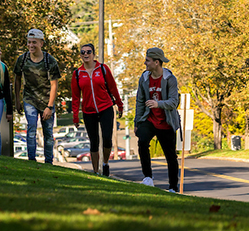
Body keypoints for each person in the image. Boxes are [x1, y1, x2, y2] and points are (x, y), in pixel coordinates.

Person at [71, 43, 124, 177]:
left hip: (105, 107)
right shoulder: (77, 73)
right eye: (83, 52)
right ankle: (95, 172)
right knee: (94, 142)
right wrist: (75, 116)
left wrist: (119, 104)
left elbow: (113, 88)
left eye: (88, 52)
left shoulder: (103, 69)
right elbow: (75, 97)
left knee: (107, 138)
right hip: (89, 111)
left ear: (94, 54)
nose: (85, 54)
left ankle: (105, 163)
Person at [134, 47, 181, 192]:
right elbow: (140, 101)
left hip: (166, 122)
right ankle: (148, 178)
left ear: (156, 62)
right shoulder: (144, 78)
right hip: (150, 119)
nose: (145, 63)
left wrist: (158, 104)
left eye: (147, 60)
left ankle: (173, 188)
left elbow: (174, 102)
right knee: (142, 142)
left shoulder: (170, 79)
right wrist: (137, 122)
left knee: (171, 156)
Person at [13, 29, 62, 164]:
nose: (31, 45)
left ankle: (48, 161)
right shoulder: (22, 60)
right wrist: (17, 99)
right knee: (31, 128)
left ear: (41, 43)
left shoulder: (49, 61)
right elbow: (16, 79)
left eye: (34, 42)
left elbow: (54, 85)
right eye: (29, 42)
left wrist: (49, 106)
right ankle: (31, 160)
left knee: (48, 132)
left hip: (47, 100)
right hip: (29, 99)